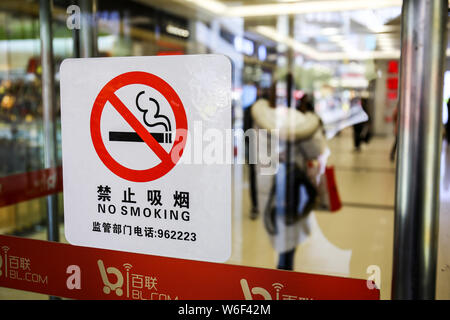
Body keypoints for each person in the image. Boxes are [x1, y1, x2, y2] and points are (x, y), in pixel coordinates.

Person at [250, 83, 328, 270]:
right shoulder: (302, 122)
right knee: (290, 234)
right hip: (292, 186)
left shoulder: (260, 119)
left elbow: (256, 154)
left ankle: (283, 267)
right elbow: (316, 149)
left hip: (267, 186)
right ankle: (284, 271)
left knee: (277, 232)